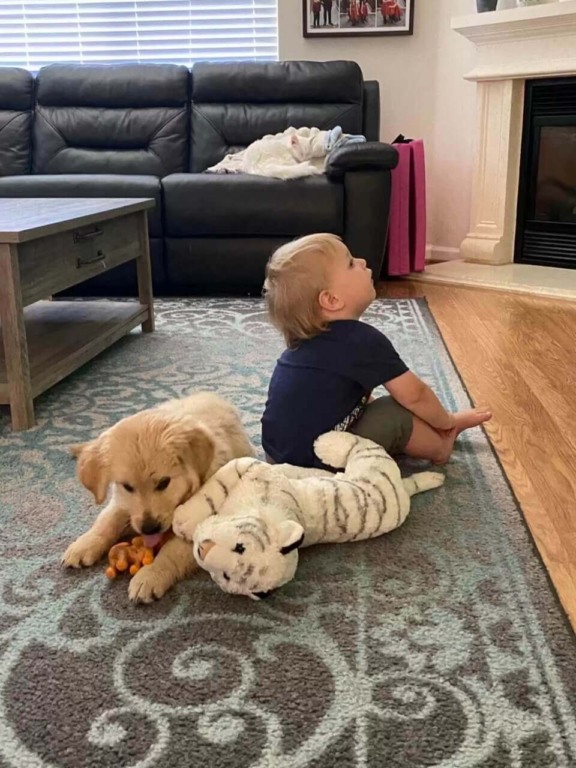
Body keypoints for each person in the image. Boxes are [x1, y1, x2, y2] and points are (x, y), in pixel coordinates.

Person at [261, 233, 492, 470]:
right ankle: (441, 445)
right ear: (331, 299)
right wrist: (446, 421)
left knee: (374, 406)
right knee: (395, 411)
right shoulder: (362, 341)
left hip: (277, 456)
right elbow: (415, 395)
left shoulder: (304, 342)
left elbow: (344, 399)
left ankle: (435, 429)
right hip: (317, 464)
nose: (361, 261)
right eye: (351, 263)